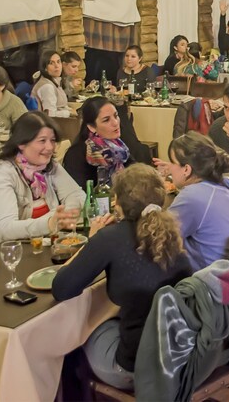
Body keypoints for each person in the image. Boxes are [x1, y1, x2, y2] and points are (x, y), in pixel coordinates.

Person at [52, 163, 191, 391]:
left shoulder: (109, 238)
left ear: (118, 203)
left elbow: (62, 288)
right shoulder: (171, 235)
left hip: (135, 367)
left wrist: (90, 241)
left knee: (76, 335)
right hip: (179, 354)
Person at [0, 111, 84, 250]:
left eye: (53, 140)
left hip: (32, 248)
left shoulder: (47, 166)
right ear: (21, 143)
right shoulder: (0, 174)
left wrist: (65, 214)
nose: (50, 147)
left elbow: (77, 196)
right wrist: (49, 223)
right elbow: (5, 228)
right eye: (42, 141)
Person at [153, 133, 229, 271]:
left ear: (187, 169)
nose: (170, 167)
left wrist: (150, 207)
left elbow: (160, 237)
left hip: (216, 282)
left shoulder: (192, 196)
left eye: (172, 162)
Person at [62, 96, 138, 187]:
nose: (115, 123)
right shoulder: (77, 154)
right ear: (91, 127)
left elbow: (137, 174)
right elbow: (80, 194)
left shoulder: (118, 145)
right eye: (106, 120)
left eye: (116, 116)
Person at [31, 50, 74, 118]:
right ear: (45, 68)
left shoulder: (55, 81)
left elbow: (61, 105)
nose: (56, 66)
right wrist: (68, 113)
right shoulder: (47, 86)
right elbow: (50, 114)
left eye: (58, 62)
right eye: (51, 63)